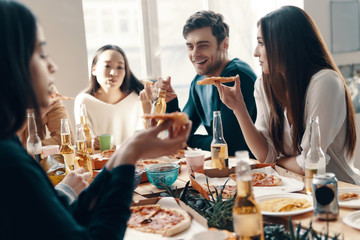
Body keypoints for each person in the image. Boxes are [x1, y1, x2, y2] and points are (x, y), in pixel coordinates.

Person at [0, 2, 191, 240]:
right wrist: (129, 157)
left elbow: (68, 217)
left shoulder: (9, 148)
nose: (52, 66)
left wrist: (126, 153)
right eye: (40, 54)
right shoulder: (9, 163)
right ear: (9, 62)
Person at [215, 6, 360, 184]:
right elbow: (265, 156)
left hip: (342, 194)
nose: (255, 52)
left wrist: (279, 161)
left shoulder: (325, 82)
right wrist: (238, 108)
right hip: (296, 190)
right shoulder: (264, 84)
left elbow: (309, 163)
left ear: (284, 44)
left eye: (261, 43)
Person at [141, 10, 257, 156]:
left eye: (203, 45)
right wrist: (171, 102)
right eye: (190, 46)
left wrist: (189, 140)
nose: (195, 54)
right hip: (222, 167)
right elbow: (179, 133)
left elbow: (229, 145)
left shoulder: (236, 77)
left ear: (225, 44)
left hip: (252, 169)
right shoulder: (198, 82)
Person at [74, 44, 144, 147]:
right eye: (107, 66)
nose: (113, 73)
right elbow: (85, 143)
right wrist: (92, 143)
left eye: (120, 67)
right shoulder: (84, 101)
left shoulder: (137, 99)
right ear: (94, 69)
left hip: (134, 161)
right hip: (100, 161)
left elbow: (146, 138)